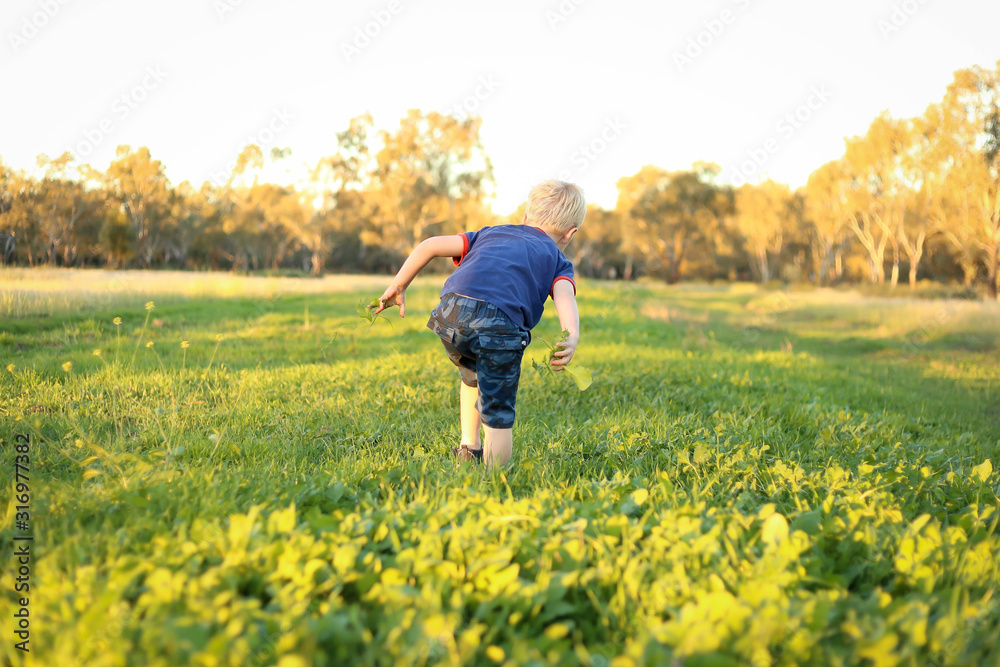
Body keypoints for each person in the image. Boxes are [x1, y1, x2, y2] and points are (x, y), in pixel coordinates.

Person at [375, 180, 586, 467]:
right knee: (497, 409)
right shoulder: (557, 258)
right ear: (570, 233)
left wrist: (399, 285)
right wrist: (571, 334)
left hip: (450, 314)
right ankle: (495, 478)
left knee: (472, 374)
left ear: (525, 217)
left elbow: (430, 245)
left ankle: (468, 448)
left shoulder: (490, 233)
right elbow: (564, 298)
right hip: (499, 326)